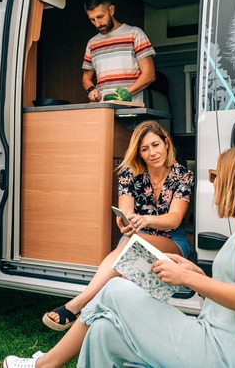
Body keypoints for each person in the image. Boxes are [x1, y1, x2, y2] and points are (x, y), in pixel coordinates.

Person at [7, 143, 235, 368]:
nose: (213, 183)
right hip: (209, 338)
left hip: (220, 353)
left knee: (115, 288)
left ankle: (46, 365)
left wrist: (187, 278)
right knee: (105, 332)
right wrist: (195, 274)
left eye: (216, 176)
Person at [41, 120, 193, 332]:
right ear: (139, 153)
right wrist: (125, 224)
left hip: (172, 241)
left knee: (130, 245)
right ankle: (96, 319)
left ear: (166, 143)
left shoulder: (183, 175)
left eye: (156, 145)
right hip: (135, 238)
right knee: (123, 273)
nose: (152, 153)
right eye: (144, 149)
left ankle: (78, 303)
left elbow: (174, 218)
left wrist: (146, 220)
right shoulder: (129, 174)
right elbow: (126, 213)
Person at [81, 0, 156, 104]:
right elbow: (86, 79)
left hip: (130, 111)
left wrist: (122, 95)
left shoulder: (134, 34)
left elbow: (149, 75)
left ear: (111, 10)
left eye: (100, 16)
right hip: (103, 110)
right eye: (92, 19)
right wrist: (91, 90)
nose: (97, 24)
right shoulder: (92, 43)